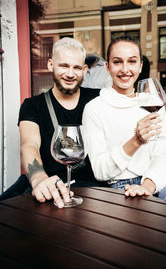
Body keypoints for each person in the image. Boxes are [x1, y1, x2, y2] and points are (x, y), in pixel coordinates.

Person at [82, 35, 166, 220]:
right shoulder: (94, 109)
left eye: (132, 61)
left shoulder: (151, 103)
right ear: (107, 67)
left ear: (140, 67)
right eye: (117, 62)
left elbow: (165, 155)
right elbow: (100, 170)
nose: (125, 69)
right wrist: (136, 141)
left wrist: (147, 187)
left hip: (162, 182)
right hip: (122, 189)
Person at [0, 37, 102, 207]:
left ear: (84, 70)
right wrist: (39, 178)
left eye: (76, 67)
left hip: (92, 188)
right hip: (49, 184)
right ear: (50, 65)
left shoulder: (99, 98)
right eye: (64, 65)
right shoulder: (32, 105)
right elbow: (29, 144)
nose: (70, 74)